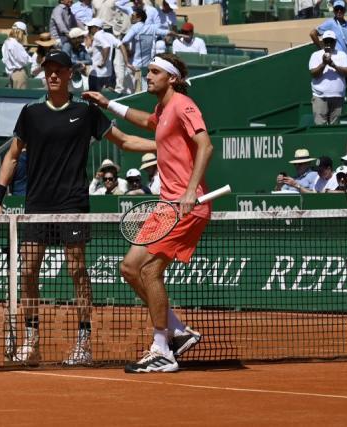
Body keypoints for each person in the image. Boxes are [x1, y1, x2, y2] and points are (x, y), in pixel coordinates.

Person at [0, 50, 158, 366]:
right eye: (48, 70)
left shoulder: (86, 112)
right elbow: (12, 156)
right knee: (27, 272)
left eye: (58, 70)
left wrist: (163, 145)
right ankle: (32, 342)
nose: (52, 75)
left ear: (69, 74)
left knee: (78, 271)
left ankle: (83, 343)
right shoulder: (31, 113)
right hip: (36, 205)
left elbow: (125, 142)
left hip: (73, 203)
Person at [83, 53, 213, 373]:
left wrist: (188, 192)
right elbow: (142, 122)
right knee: (129, 268)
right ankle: (177, 332)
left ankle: (162, 349)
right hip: (165, 206)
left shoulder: (183, 104)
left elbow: (206, 145)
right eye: (148, 71)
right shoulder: (162, 109)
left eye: (154, 71)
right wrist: (107, 103)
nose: (148, 75)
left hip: (186, 206)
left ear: (171, 78)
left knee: (151, 272)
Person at [120, 9, 169, 93]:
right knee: (144, 91)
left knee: (130, 92)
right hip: (146, 67)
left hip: (134, 67)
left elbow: (124, 41)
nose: (131, 17)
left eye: (133, 16)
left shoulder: (135, 27)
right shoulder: (152, 28)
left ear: (139, 18)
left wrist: (128, 53)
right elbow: (167, 32)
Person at [309, 30, 347, 125]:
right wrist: (324, 63)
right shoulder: (315, 55)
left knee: (335, 126)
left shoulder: (342, 55)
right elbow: (313, 74)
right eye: (326, 41)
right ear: (322, 42)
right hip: (320, 96)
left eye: (331, 41)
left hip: (338, 96)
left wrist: (333, 65)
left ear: (335, 42)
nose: (328, 43)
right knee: (320, 126)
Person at [309, 0, 347, 75]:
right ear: (334, 11)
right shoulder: (330, 22)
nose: (339, 11)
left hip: (345, 62)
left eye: (341, 9)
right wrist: (321, 49)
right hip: (334, 62)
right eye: (337, 9)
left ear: (344, 10)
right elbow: (312, 33)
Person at [86, 18, 113, 91]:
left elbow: (106, 46)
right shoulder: (108, 35)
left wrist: (103, 62)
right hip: (107, 73)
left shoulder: (97, 35)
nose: (88, 29)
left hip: (97, 74)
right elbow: (120, 44)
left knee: (93, 97)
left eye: (90, 27)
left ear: (96, 28)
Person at [2, 21, 31, 89]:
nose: (24, 35)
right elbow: (25, 60)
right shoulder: (16, 44)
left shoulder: (6, 42)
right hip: (19, 73)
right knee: (21, 97)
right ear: (20, 31)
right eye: (24, 33)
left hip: (10, 74)